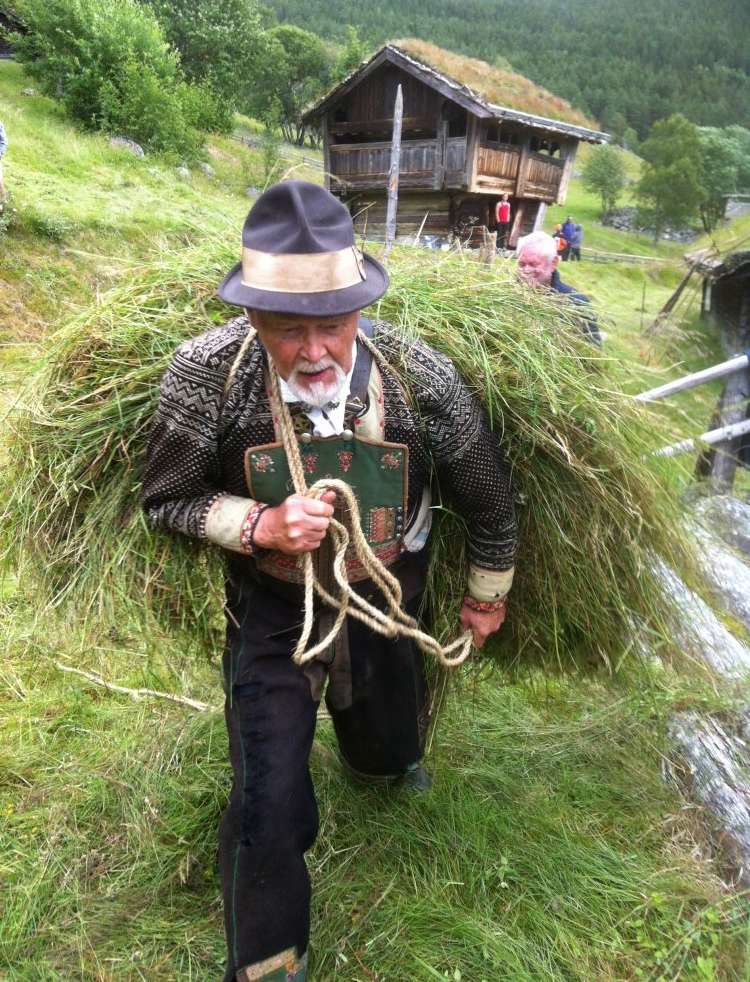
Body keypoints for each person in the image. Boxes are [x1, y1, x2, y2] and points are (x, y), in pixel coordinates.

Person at [142, 180, 518, 982]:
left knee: (386, 736)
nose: (315, 351)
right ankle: (270, 959)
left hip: (390, 590)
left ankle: (378, 758)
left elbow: (490, 498)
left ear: (360, 310)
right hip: (275, 602)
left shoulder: (419, 380)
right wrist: (258, 526)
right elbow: (167, 500)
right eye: (288, 330)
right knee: (267, 792)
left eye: (334, 325)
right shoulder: (206, 378)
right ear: (251, 319)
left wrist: (486, 596)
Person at [517, 230, 602, 347]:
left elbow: (593, 352)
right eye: (521, 264)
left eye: (533, 264)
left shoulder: (577, 304)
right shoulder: (504, 294)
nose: (526, 270)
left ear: (553, 264)